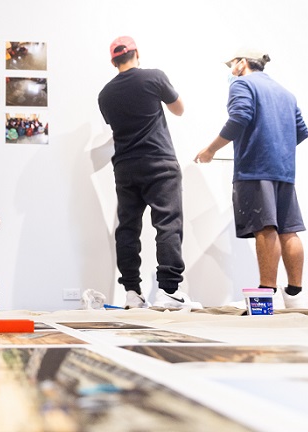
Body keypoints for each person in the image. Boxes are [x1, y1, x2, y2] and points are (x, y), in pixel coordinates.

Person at [194, 48, 308, 308]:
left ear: (242, 63)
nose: (230, 70)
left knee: (265, 227)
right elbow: (301, 131)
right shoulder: (285, 93)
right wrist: (278, 146)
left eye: (231, 64)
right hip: (284, 171)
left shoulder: (242, 84)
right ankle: (295, 297)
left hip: (255, 169)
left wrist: (210, 150)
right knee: (289, 229)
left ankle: (266, 295)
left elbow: (240, 117)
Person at [98, 36, 199, 309]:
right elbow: (179, 109)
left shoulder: (105, 95)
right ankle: (168, 290)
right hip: (159, 163)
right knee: (167, 224)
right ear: (136, 53)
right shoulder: (154, 77)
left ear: (113, 60)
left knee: (128, 229)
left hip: (125, 168)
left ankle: (132, 293)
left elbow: (116, 124)